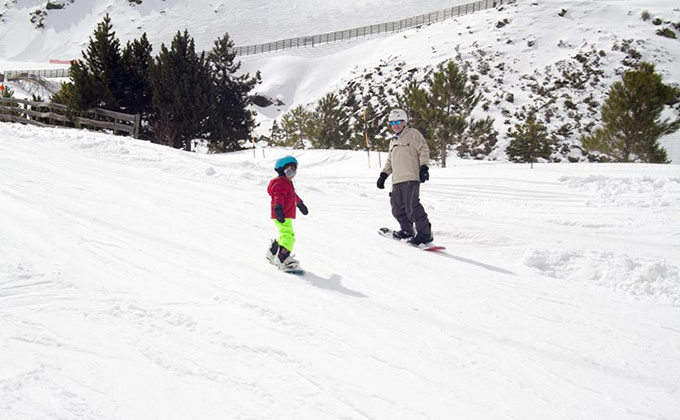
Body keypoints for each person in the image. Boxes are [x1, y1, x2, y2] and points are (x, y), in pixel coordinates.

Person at [376, 108, 433, 246]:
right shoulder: (393, 141)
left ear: (404, 122)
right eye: (392, 123)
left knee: (412, 207)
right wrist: (383, 175)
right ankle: (407, 230)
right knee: (397, 208)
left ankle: (425, 234)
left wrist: (424, 167)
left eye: (398, 122)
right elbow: (390, 161)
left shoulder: (413, 134)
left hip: (411, 178)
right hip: (397, 180)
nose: (395, 125)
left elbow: (423, 150)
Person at [266, 156, 309, 270]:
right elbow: (277, 197)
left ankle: (273, 251)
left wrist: (300, 204)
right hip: (281, 214)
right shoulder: (280, 183)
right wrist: (278, 209)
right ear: (281, 170)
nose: (292, 173)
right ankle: (282, 259)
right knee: (289, 237)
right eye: (290, 170)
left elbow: (293, 196)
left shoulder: (286, 182)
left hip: (285, 214)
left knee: (284, 235)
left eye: (294, 170)